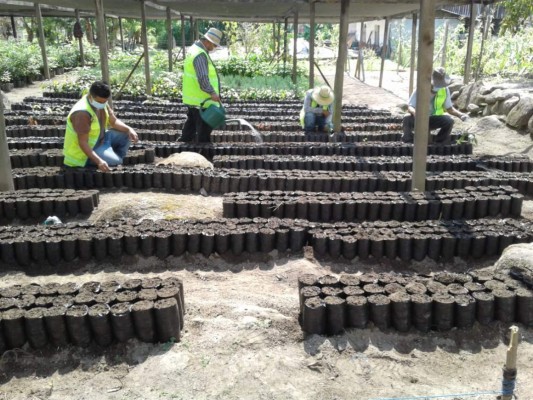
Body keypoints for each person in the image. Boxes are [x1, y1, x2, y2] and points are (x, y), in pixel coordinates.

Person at [63, 81, 138, 172]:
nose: (102, 104)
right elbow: (83, 142)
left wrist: (129, 129)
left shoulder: (101, 103)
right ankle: (95, 160)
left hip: (101, 140)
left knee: (126, 134)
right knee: (117, 161)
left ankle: (111, 156)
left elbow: (113, 122)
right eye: (100, 101)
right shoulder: (82, 113)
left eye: (105, 101)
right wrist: (99, 161)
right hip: (85, 150)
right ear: (91, 96)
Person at [402, 67, 468, 145]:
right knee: (406, 118)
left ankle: (439, 142)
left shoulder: (444, 90)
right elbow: (410, 106)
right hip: (418, 119)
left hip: (433, 119)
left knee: (449, 121)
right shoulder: (421, 88)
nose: (439, 86)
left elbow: (449, 109)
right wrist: (415, 113)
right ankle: (408, 141)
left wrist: (461, 115)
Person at [180, 27, 223, 144]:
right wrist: (212, 93)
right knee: (204, 133)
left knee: (190, 129)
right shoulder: (200, 55)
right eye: (214, 45)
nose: (214, 48)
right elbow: (203, 78)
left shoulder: (194, 49)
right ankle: (204, 155)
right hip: (202, 101)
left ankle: (180, 152)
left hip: (194, 100)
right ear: (208, 41)